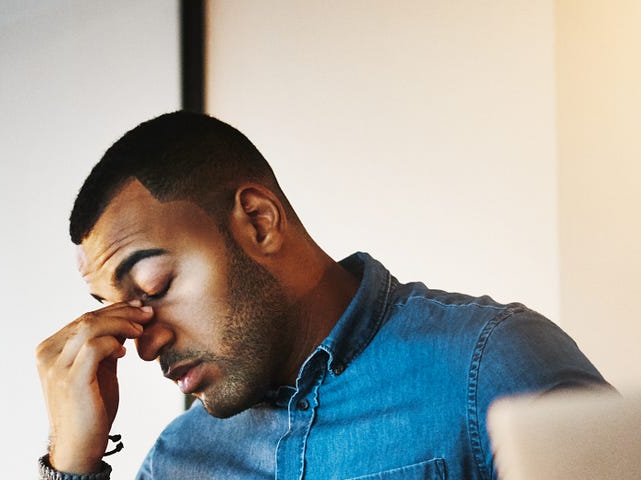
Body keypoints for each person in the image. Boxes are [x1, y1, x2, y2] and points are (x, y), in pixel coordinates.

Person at [35, 111, 610, 480]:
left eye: (155, 286)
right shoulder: (178, 463)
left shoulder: (489, 366)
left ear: (258, 223)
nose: (142, 342)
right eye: (117, 311)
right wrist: (71, 462)